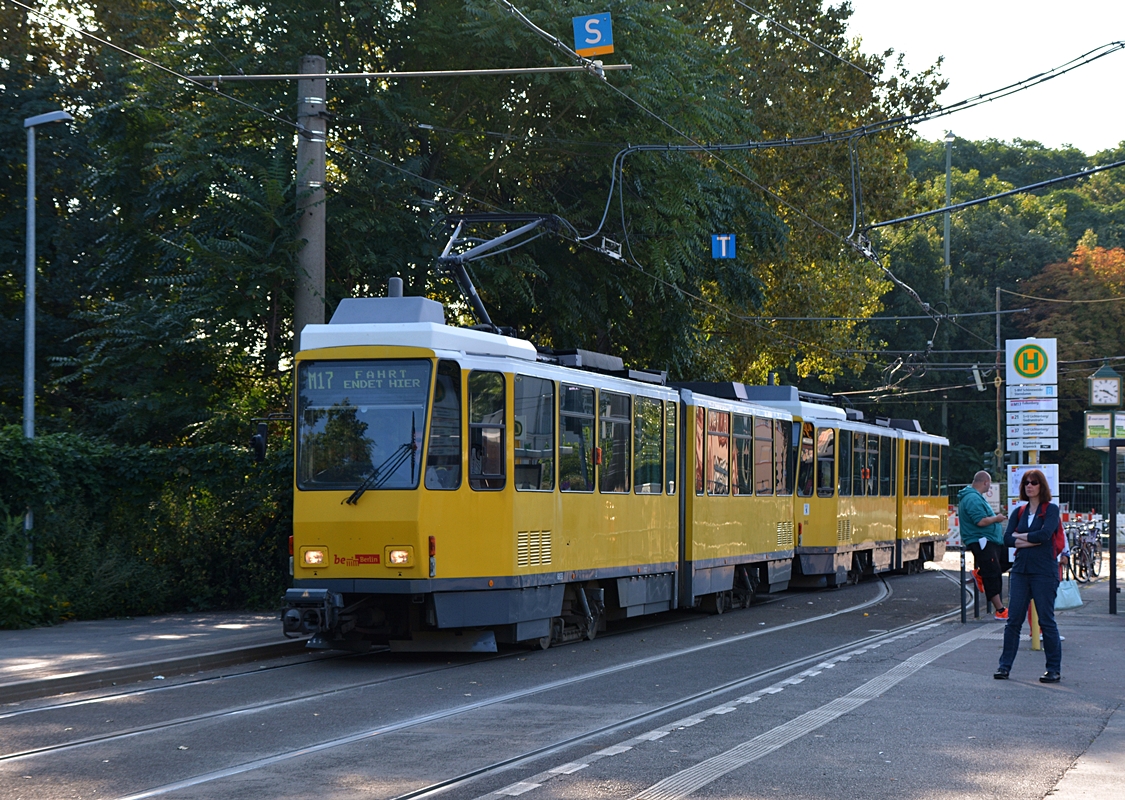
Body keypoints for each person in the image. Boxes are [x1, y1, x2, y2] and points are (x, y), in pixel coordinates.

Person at [994, 469, 1063, 683]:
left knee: (1046, 621)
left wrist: (1021, 537)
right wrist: (1031, 539)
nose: (1029, 486)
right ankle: (1004, 667)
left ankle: (1053, 669)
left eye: (1033, 482)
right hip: (1021, 571)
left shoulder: (1050, 510)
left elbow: (1045, 535)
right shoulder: (1019, 512)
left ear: (1042, 486)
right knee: (1013, 621)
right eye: (1026, 483)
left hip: (1043, 572)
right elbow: (1006, 539)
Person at [956, 470, 1010, 619]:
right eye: (989, 484)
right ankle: (1000, 610)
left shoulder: (976, 497)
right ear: (985, 482)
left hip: (991, 540)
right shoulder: (972, 498)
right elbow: (980, 521)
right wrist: (997, 519)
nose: (990, 487)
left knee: (1009, 558)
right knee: (992, 573)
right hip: (982, 541)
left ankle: (980, 574)